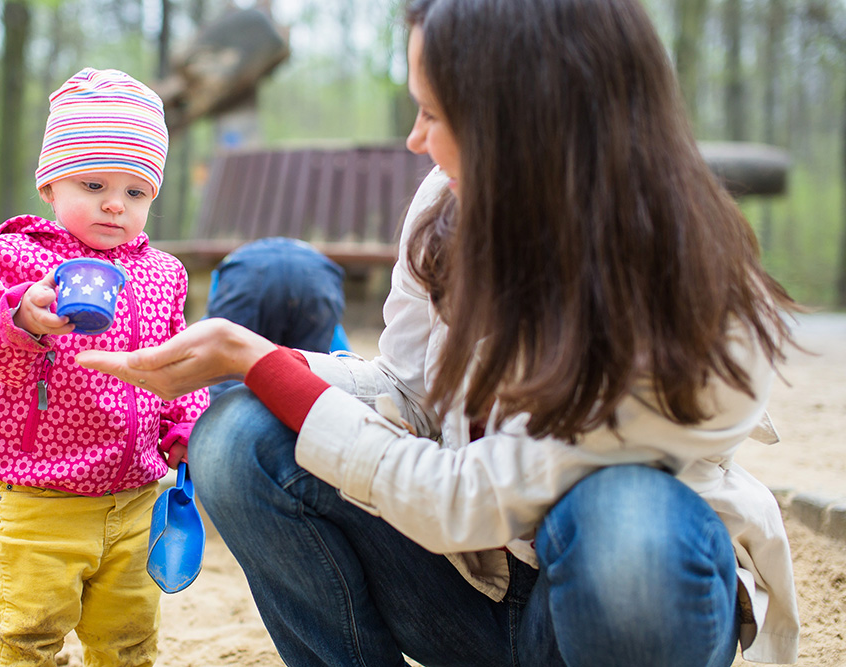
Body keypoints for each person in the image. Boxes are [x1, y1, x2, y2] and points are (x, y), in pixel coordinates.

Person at [78, 0, 802, 664]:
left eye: (433, 112)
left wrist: (260, 360)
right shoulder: (449, 203)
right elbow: (409, 392)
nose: (414, 138)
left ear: (524, 121)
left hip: (614, 606)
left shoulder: (696, 302)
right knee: (241, 436)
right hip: (470, 590)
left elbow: (468, 495)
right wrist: (254, 362)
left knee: (627, 521)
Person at [0, 67, 210, 666]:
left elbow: (179, 360)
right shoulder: (12, 256)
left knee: (129, 637)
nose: (116, 204)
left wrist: (188, 425)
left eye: (136, 192)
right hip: (39, 495)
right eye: (93, 184)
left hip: (137, 497)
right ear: (49, 187)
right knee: (30, 632)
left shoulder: (164, 275)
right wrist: (21, 316)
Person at [204, 236, 350, 398]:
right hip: (317, 277)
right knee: (313, 375)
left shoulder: (239, 258)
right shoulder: (311, 257)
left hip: (248, 274)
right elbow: (339, 350)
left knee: (227, 371)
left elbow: (213, 330)